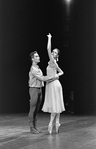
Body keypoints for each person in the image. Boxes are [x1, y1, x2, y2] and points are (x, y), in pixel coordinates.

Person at [28, 51, 58, 134]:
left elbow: (43, 78)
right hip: (34, 89)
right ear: (33, 58)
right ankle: (31, 127)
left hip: (39, 89)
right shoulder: (33, 69)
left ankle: (35, 127)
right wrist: (54, 77)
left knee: (37, 109)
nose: (39, 57)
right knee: (33, 109)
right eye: (36, 56)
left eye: (38, 56)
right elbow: (43, 78)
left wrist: (53, 78)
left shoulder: (37, 67)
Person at [42, 33, 65, 134]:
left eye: (55, 52)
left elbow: (47, 48)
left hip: (54, 85)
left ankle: (51, 123)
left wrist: (50, 38)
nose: (52, 52)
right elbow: (62, 72)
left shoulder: (52, 61)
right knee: (56, 104)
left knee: (55, 105)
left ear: (57, 55)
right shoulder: (54, 63)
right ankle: (57, 122)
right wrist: (57, 75)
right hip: (54, 84)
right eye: (53, 51)